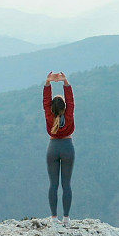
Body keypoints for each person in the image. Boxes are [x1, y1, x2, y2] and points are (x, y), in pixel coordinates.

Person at [43, 71, 75, 226]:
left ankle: (54, 219)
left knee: (53, 185)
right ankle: (66, 219)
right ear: (64, 107)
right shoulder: (69, 115)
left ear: (51, 108)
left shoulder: (49, 115)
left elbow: (45, 101)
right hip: (67, 147)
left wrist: (48, 82)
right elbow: (71, 100)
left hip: (53, 148)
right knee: (66, 185)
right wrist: (65, 82)